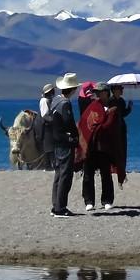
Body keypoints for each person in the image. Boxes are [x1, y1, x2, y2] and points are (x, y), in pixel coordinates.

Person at [78, 83, 126, 211]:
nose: (98, 94)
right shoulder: (93, 106)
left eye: (100, 91)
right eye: (97, 92)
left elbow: (112, 127)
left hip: (105, 147)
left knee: (106, 174)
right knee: (88, 174)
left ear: (106, 92)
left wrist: (107, 118)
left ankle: (107, 200)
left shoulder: (113, 108)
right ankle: (89, 201)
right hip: (91, 146)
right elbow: (85, 122)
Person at [47, 72, 81, 216]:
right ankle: (61, 207)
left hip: (56, 142)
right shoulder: (65, 104)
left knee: (58, 174)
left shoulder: (55, 100)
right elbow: (68, 122)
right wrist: (75, 136)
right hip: (65, 142)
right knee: (65, 176)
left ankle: (56, 205)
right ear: (73, 89)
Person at [110, 84, 133, 171]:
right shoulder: (110, 100)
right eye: (120, 89)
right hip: (113, 127)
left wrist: (129, 108)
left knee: (122, 147)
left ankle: (121, 166)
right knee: (114, 147)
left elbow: (123, 114)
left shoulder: (121, 100)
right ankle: (113, 167)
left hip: (121, 125)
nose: (122, 91)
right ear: (115, 90)